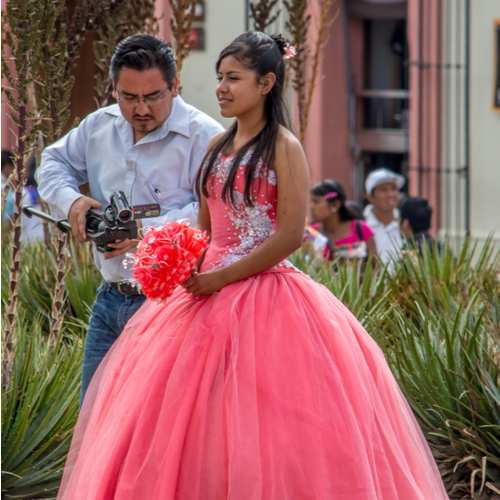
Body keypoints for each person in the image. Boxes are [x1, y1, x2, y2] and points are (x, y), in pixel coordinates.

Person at [57, 32, 449, 500]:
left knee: (264, 425)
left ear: (266, 83)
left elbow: (288, 235)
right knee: (183, 421)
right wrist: (168, 260)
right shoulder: (216, 146)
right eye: (220, 78)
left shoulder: (284, 147)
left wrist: (220, 276)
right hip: (201, 295)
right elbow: (203, 230)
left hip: (265, 297)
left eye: (233, 79)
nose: (221, 88)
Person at [35, 34, 224, 403]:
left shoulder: (206, 137)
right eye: (128, 97)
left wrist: (143, 232)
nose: (141, 109)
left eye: (153, 96)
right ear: (114, 89)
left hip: (173, 306)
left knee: (155, 430)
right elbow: (52, 163)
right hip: (109, 301)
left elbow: (215, 214)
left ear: (174, 86)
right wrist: (72, 202)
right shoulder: (97, 126)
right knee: (93, 420)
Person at [308, 179, 377, 261]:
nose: (311, 207)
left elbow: (377, 268)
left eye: (316, 202)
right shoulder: (310, 234)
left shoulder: (361, 229)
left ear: (335, 205)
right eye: (311, 201)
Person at [363, 168, 406, 264]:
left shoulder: (405, 223)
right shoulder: (362, 224)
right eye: (383, 190)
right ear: (370, 197)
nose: (391, 194)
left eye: (393, 189)